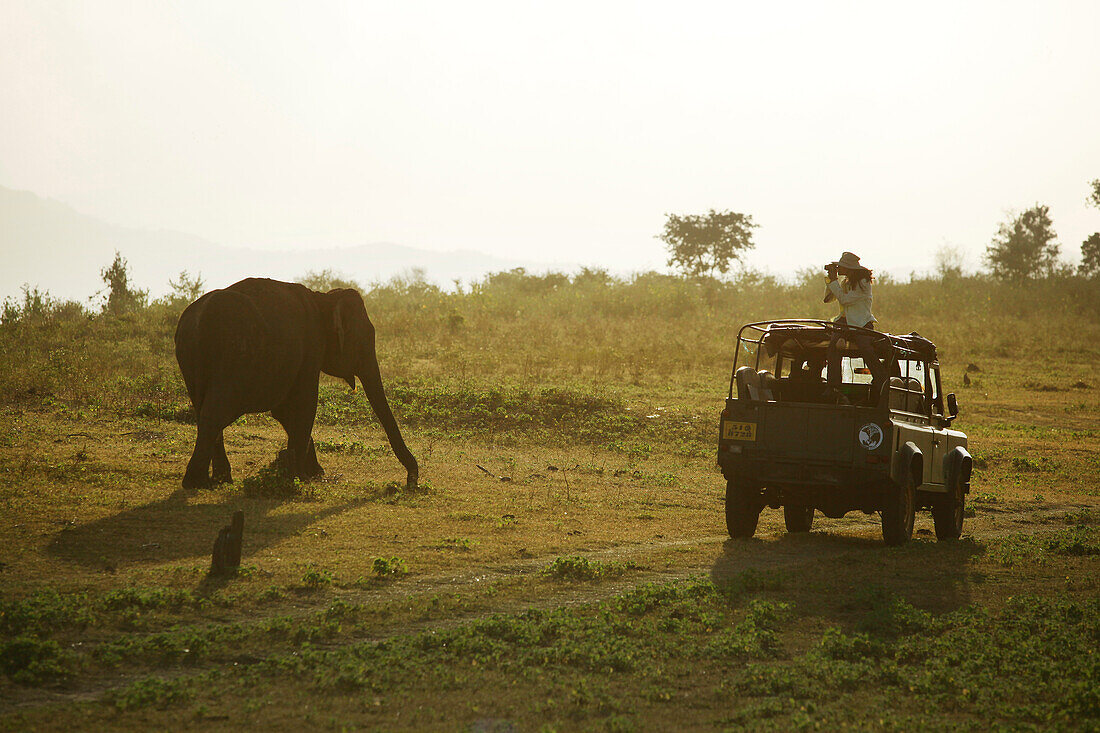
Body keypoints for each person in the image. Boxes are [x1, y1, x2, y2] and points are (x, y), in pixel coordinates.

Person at [822, 252, 886, 399]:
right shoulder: (846, 281)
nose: (839, 269)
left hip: (861, 323)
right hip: (845, 323)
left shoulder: (863, 283)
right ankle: (833, 386)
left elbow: (844, 300)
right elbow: (828, 298)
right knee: (833, 348)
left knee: (866, 348)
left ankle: (881, 380)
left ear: (849, 268)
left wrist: (833, 281)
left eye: (841, 267)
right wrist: (832, 280)